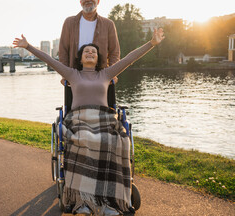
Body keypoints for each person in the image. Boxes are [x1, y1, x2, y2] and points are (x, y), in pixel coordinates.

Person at [13, 28, 164, 216]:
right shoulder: (72, 74)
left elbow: (129, 59)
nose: (91, 52)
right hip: (79, 119)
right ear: (81, 57)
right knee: (83, 138)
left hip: (104, 119)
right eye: (87, 51)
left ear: (98, 57)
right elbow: (49, 60)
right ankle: (83, 200)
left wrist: (152, 43)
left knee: (118, 141)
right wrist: (28, 46)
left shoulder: (106, 74)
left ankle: (110, 203)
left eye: (94, 51)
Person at [59, 0, 120, 84]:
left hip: (102, 81)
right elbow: (63, 52)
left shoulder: (108, 24)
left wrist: (111, 75)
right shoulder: (69, 22)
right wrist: (65, 75)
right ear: (80, 2)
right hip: (74, 81)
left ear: (98, 0)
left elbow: (114, 53)